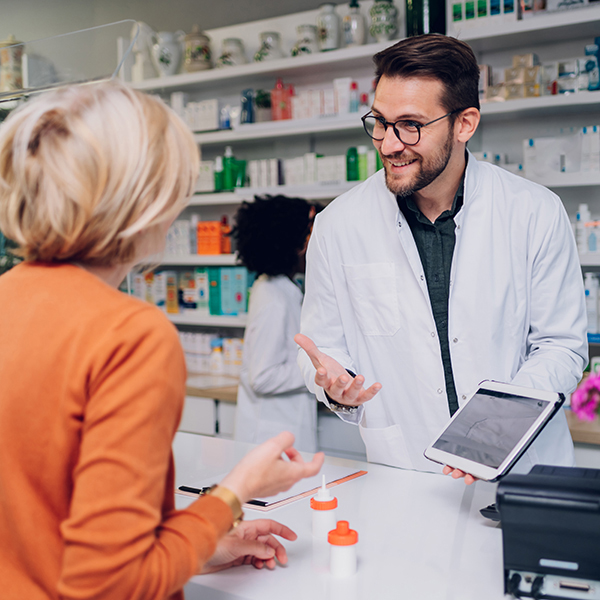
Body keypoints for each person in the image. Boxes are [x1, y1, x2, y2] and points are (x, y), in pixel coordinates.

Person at [0, 81, 324, 600]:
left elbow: (47, 522)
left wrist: (202, 543)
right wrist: (236, 491)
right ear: (144, 202)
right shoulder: (129, 335)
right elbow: (112, 584)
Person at [295, 34, 587, 480]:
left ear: (464, 124)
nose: (389, 144)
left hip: (521, 467)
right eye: (380, 122)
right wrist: (338, 389)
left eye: (410, 125)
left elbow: (560, 346)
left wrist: (496, 428)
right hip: (406, 470)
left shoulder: (533, 211)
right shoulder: (339, 225)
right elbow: (323, 348)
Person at [233, 195, 319, 452]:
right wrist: (318, 371)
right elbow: (263, 377)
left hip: (284, 432)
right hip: (269, 439)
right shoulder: (273, 297)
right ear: (296, 245)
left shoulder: (283, 289)